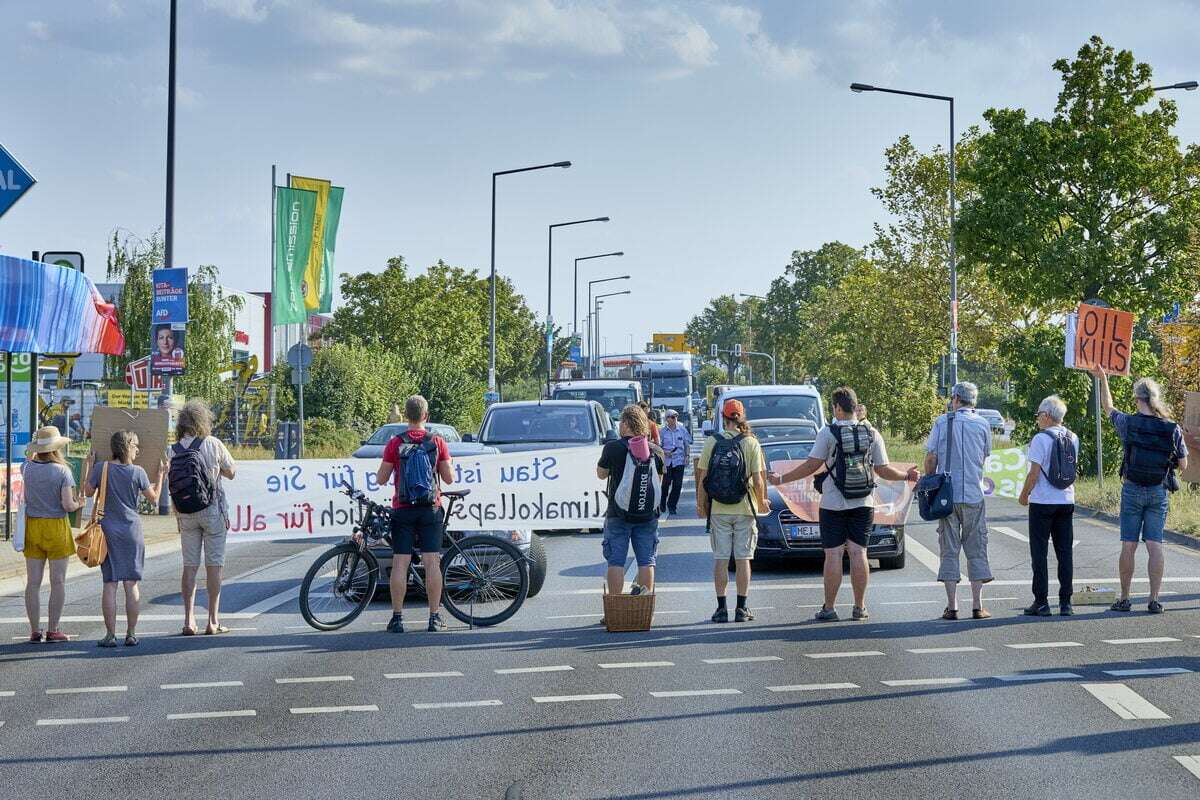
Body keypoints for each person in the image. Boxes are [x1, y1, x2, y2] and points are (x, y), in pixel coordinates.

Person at [770, 387, 917, 621]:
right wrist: (906, 476)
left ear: (838, 408)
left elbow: (811, 466)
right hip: (864, 502)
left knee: (834, 556)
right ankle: (859, 607)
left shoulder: (827, 434)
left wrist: (781, 479)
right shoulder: (872, 433)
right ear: (855, 406)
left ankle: (829, 608)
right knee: (859, 553)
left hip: (832, 504)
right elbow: (882, 469)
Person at [1093, 367, 1188, 614]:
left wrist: (1103, 379)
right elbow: (1183, 464)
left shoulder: (1128, 423)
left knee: (1129, 545)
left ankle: (1124, 598)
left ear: (1138, 399)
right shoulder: (1171, 428)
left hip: (1132, 489)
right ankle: (1154, 600)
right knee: (1155, 545)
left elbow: (1108, 408)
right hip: (1158, 491)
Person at [377, 394, 454, 633]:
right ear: (425, 416)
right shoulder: (437, 442)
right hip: (430, 509)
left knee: (401, 562)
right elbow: (449, 479)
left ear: (406, 417)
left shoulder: (394, 443)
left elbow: (381, 479)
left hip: (403, 509)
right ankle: (434, 617)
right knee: (432, 561)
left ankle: (397, 619)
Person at [83, 431, 165, 647]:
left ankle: (110, 635)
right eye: (136, 445)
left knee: (110, 584)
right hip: (131, 532)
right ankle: (131, 633)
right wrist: (161, 475)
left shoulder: (103, 468)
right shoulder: (137, 472)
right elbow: (154, 499)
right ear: (127, 446)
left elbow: (87, 491)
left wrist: (89, 466)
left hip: (106, 531)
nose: (138, 449)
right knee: (131, 585)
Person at [924, 381, 994, 620]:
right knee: (976, 548)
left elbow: (931, 457)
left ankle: (952, 606)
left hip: (947, 496)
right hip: (974, 494)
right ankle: (977, 605)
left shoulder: (942, 422)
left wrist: (929, 481)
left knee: (949, 549)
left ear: (955, 399)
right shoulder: (983, 424)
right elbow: (984, 455)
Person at [697, 399, 767, 623]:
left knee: (721, 559)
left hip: (719, 509)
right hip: (745, 508)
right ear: (742, 416)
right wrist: (762, 500)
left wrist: (702, 505)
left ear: (723, 417)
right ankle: (742, 608)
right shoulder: (751, 442)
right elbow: (758, 479)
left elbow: (702, 479)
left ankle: (721, 608)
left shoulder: (712, 442)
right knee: (743, 558)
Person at [173, 400, 237, 636]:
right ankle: (212, 620)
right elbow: (231, 473)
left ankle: (189, 620)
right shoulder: (213, 444)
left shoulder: (174, 449)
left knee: (189, 567)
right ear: (203, 421)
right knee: (214, 566)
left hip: (185, 514)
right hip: (212, 511)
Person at [1017, 395, 1080, 617]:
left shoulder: (1040, 439)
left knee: (1040, 553)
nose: (1037, 420)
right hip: (1066, 500)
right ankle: (1066, 603)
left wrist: (1024, 495)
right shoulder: (1073, 437)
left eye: (1038, 416)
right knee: (1065, 553)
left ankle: (1041, 602)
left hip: (1043, 502)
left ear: (1045, 416)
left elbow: (1034, 473)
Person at [22, 426, 85, 643]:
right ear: (57, 447)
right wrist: (80, 504)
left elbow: (28, 457)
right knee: (57, 581)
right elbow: (67, 505)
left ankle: (34, 630)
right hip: (56, 527)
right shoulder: (62, 472)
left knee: (33, 583)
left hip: (33, 527)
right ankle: (53, 629)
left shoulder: (27, 468)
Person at [597, 405, 665, 597]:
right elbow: (658, 482)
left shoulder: (613, 448)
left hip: (618, 514)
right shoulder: (656, 451)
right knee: (646, 561)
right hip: (647, 515)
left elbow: (601, 475)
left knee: (616, 561)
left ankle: (616, 608)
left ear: (626, 423)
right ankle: (644, 607)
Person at [658, 409, 691, 517]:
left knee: (677, 485)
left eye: (676, 417)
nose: (674, 419)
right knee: (665, 485)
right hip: (667, 462)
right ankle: (662, 503)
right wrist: (665, 453)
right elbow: (658, 447)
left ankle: (672, 505)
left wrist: (687, 456)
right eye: (672, 417)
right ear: (667, 419)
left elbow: (687, 444)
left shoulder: (682, 430)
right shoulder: (662, 432)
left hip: (679, 461)